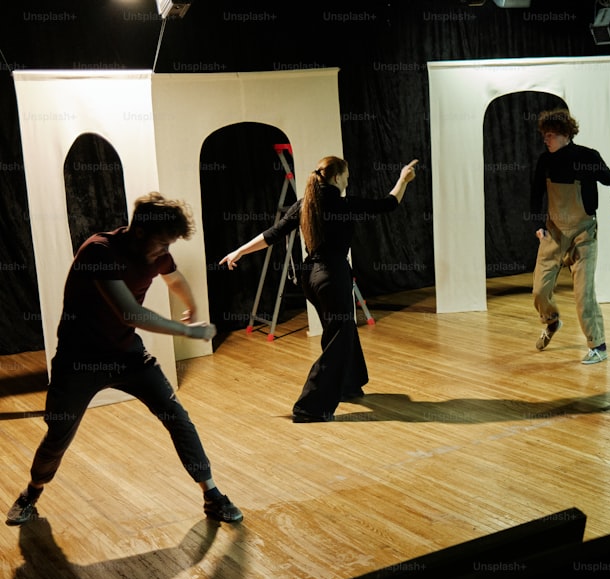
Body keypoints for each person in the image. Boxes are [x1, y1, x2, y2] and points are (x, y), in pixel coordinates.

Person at [6, 192, 242, 526]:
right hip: (79, 361)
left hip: (128, 354)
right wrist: (188, 332)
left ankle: (212, 495)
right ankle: (32, 492)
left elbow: (173, 277)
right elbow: (130, 312)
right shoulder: (99, 251)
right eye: (162, 244)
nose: (165, 252)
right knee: (59, 434)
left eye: (169, 246)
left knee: (176, 416)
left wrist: (191, 306)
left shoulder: (157, 252)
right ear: (141, 232)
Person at [220, 155, 418, 422]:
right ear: (336, 178)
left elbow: (272, 234)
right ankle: (309, 407)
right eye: (346, 175)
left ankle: (347, 384)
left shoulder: (306, 204)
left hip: (310, 278)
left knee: (339, 332)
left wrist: (240, 251)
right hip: (332, 277)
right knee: (340, 337)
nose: (348, 180)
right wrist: (402, 180)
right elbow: (389, 203)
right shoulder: (343, 204)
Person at [529, 108, 610, 364]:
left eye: (549, 135)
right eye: (544, 135)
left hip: (583, 234)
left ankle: (598, 346)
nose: (545, 139)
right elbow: (535, 194)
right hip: (553, 234)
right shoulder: (545, 161)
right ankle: (552, 322)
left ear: (564, 134)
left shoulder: (587, 157)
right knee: (539, 291)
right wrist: (538, 224)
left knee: (584, 294)